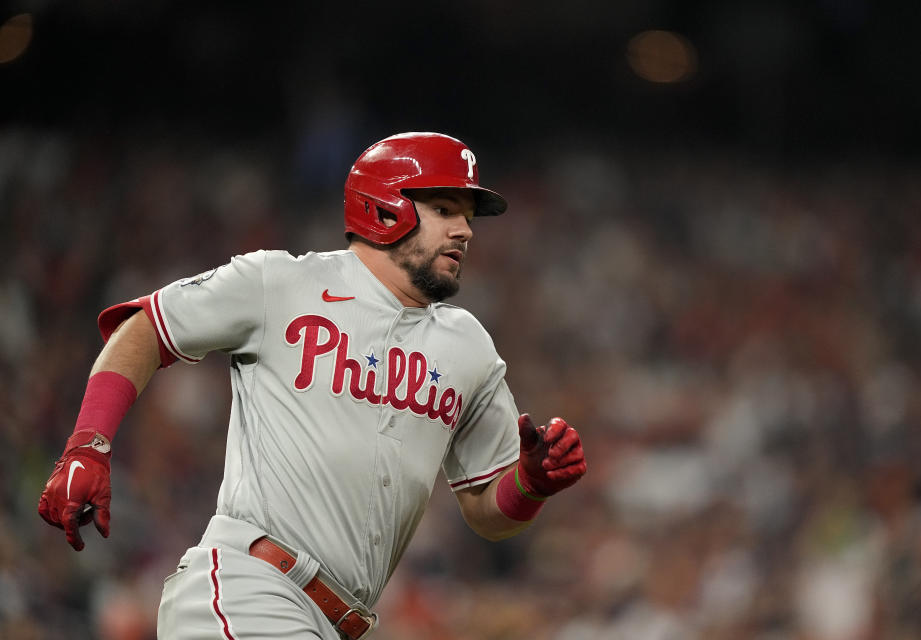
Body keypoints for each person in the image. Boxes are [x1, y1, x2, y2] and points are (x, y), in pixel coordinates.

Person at [38, 132, 587, 639]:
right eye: (444, 209)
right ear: (383, 207)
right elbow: (145, 330)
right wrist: (89, 444)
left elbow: (486, 511)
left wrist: (532, 483)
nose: (465, 230)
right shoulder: (282, 282)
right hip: (250, 588)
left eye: (467, 216)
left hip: (335, 623)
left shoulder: (469, 347)